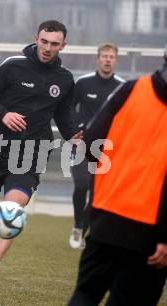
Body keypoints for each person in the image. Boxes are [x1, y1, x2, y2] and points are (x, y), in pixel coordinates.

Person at [0, 20, 82, 289]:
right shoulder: (13, 65)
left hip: (32, 152)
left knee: (12, 209)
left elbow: (64, 116)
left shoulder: (65, 79)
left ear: (63, 46)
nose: (47, 48)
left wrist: (76, 137)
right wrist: (3, 114)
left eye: (54, 44)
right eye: (44, 42)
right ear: (36, 38)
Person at [68, 46, 167, 306]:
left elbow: (91, 143)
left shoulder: (131, 89)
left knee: (86, 293)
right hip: (149, 231)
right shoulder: (119, 87)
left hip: (106, 217)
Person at [69, 43, 125, 249]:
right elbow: (68, 109)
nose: (108, 59)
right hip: (83, 146)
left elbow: (125, 116)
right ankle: (77, 226)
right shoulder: (83, 83)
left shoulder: (121, 86)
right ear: (98, 59)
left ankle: (81, 233)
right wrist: (75, 130)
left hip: (107, 150)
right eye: (104, 56)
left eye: (112, 56)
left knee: (97, 194)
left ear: (116, 60)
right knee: (81, 186)